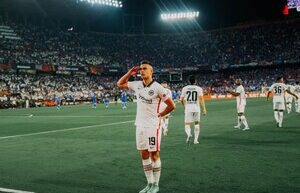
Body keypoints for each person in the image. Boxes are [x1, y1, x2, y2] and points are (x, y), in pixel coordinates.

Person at [117, 60, 175, 193]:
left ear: (151, 71)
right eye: (141, 69)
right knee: (143, 154)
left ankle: (156, 184)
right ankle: (149, 183)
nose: (142, 71)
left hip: (152, 126)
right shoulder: (137, 84)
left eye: (145, 69)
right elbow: (119, 84)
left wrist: (160, 114)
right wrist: (129, 73)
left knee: (154, 154)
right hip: (140, 125)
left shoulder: (159, 88)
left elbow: (172, 105)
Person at [180, 75, 207, 145]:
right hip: (196, 108)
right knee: (197, 123)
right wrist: (204, 109)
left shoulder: (184, 88)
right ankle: (196, 140)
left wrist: (184, 107)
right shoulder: (199, 88)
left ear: (189, 81)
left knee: (187, 124)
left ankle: (189, 134)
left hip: (188, 108)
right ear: (195, 81)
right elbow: (201, 99)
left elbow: (182, 100)